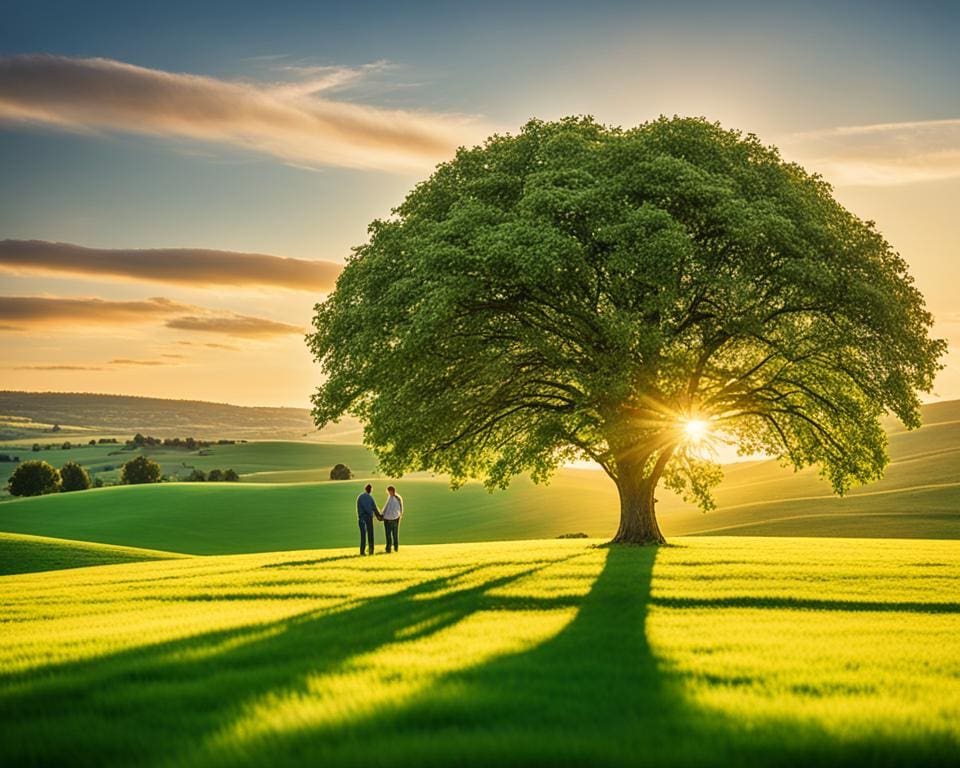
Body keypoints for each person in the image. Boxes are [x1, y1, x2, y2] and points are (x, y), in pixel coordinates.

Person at [356, 483, 379, 555]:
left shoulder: (360, 497)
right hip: (369, 518)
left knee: (363, 536)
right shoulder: (370, 498)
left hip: (361, 518)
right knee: (370, 535)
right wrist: (380, 516)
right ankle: (371, 551)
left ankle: (362, 551)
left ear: (365, 489)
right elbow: (375, 508)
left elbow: (358, 508)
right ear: (371, 490)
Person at [381, 485, 403, 553]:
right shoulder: (392, 497)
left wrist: (382, 514)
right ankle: (391, 548)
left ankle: (391, 548)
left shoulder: (396, 498)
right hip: (394, 518)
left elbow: (390, 508)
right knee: (392, 535)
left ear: (392, 491)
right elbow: (386, 507)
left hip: (392, 519)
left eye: (389, 491)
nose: (388, 493)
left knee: (391, 535)